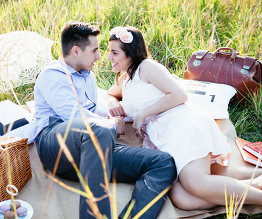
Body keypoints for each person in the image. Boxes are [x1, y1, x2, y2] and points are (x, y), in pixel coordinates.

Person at [105, 26, 262, 210]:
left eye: (114, 53)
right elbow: (109, 95)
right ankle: (254, 185)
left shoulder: (146, 67)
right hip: (165, 139)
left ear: (130, 52)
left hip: (182, 125)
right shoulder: (126, 80)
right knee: (182, 199)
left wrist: (142, 114)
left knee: (196, 184)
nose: (109, 58)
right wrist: (114, 104)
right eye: (109, 52)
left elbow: (179, 95)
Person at [32, 21, 177, 219]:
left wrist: (116, 112)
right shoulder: (53, 75)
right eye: (95, 50)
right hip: (56, 147)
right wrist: (111, 124)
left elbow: (96, 109)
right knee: (100, 128)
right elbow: (74, 116)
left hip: (93, 151)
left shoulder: (88, 77)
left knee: (163, 163)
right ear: (76, 51)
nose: (100, 57)